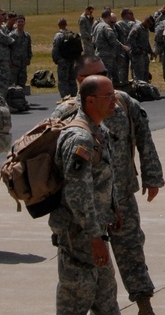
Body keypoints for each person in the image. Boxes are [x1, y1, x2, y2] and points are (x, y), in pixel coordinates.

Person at [54, 56, 165, 315]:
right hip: (85, 212)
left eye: (106, 72)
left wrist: (152, 176)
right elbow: (65, 173)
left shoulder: (123, 103)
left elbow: (144, 139)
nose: (109, 80)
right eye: (99, 74)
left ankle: (144, 304)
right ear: (82, 82)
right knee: (83, 278)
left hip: (120, 196)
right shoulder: (69, 117)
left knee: (132, 251)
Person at [51, 74, 119, 315]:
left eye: (114, 95)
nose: (115, 101)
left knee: (107, 301)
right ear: (90, 101)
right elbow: (77, 193)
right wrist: (94, 238)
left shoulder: (99, 130)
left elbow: (101, 180)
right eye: (108, 96)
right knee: (75, 301)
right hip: (80, 237)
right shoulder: (80, 138)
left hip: (97, 232)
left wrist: (114, 210)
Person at [0, 9, 16, 95]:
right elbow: (5, 39)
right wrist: (15, 41)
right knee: (2, 80)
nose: (5, 16)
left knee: (0, 78)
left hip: (4, 57)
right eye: (2, 14)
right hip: (1, 58)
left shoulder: (1, 27)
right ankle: (2, 101)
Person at [53, 18, 79, 98]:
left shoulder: (58, 35)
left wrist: (56, 59)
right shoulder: (71, 34)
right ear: (66, 25)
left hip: (63, 61)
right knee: (72, 79)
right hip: (72, 60)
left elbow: (55, 48)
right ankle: (74, 96)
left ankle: (65, 97)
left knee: (63, 80)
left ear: (58, 25)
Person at [127, 15, 155, 84]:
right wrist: (137, 50)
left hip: (144, 56)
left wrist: (150, 52)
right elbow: (130, 40)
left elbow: (146, 42)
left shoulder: (146, 30)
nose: (149, 26)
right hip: (137, 57)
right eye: (149, 24)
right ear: (146, 21)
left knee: (145, 75)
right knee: (138, 76)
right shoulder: (137, 28)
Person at [10, 14, 33, 87]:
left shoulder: (27, 36)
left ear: (24, 23)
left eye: (22, 22)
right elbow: (8, 49)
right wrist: (9, 61)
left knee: (22, 82)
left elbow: (29, 48)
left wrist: (29, 58)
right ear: (16, 23)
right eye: (19, 22)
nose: (20, 23)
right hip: (14, 64)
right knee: (13, 84)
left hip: (23, 64)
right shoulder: (12, 35)